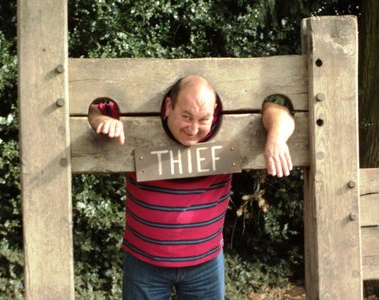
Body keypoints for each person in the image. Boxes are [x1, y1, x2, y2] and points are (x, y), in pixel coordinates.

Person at [88, 75, 295, 300]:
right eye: (186, 117)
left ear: (215, 111)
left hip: (205, 265)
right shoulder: (137, 114)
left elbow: (277, 108)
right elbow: (93, 106)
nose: (194, 129)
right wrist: (100, 120)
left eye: (203, 119)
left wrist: (277, 136)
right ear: (168, 106)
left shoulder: (222, 123)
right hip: (144, 263)